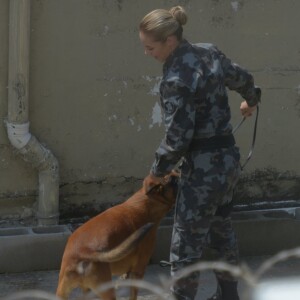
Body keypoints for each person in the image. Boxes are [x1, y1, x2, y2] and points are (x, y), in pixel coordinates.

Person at [139, 6, 261, 300]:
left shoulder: (175, 79)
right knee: (221, 231)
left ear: (169, 41)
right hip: (228, 162)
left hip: (202, 170)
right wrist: (251, 100)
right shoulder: (210, 53)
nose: (147, 53)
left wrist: (156, 172)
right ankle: (230, 295)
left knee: (185, 245)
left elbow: (178, 137)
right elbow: (243, 78)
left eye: (150, 47)